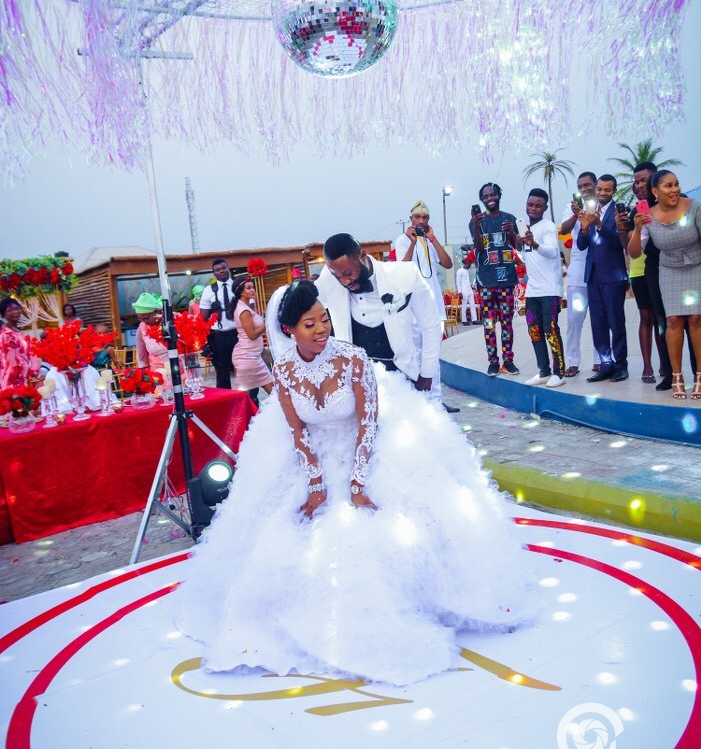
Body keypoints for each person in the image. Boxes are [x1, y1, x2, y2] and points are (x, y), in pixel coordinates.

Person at [175, 280, 535, 687]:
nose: (321, 328)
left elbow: (369, 424)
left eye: (324, 319)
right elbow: (297, 431)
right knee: (285, 529)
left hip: (364, 448)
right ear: (290, 330)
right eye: (309, 323)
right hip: (314, 454)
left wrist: (358, 482)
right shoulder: (284, 369)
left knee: (383, 526)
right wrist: (315, 484)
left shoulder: (353, 359)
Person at [314, 233, 442, 398]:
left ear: (362, 256)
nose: (344, 281)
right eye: (338, 277)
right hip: (355, 382)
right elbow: (304, 302)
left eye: (348, 273)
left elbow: (431, 325)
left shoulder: (405, 275)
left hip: (402, 376)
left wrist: (427, 373)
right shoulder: (328, 277)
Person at [627, 170, 701, 400]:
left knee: (696, 319)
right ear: (655, 191)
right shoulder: (648, 216)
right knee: (672, 321)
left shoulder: (694, 207)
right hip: (669, 270)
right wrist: (637, 229)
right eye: (668, 186)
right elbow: (634, 253)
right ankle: (676, 376)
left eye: (676, 184)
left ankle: (700, 376)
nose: (675, 189)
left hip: (697, 266)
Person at [577, 175, 629, 383]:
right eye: (599, 189)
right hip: (593, 275)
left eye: (607, 190)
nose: (602, 193)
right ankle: (605, 365)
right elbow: (581, 245)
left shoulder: (620, 212)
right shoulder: (590, 210)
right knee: (598, 323)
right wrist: (584, 227)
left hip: (613, 275)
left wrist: (599, 224)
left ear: (614, 191)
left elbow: (620, 243)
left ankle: (621, 366)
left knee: (616, 322)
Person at [623, 162, 669, 384]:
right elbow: (630, 247)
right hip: (641, 269)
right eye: (636, 181)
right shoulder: (636, 211)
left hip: (667, 268)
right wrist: (624, 227)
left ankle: (666, 364)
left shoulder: (669, 204)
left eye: (644, 180)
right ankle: (648, 366)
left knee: (663, 318)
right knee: (646, 317)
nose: (639, 184)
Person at [468, 182, 520, 376]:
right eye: (486, 196)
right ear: (482, 200)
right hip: (486, 282)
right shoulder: (477, 221)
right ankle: (493, 361)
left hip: (507, 280)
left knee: (507, 323)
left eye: (493, 195)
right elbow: (479, 248)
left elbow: (517, 246)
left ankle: (508, 360)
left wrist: (511, 232)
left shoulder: (510, 218)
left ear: (499, 195)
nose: (490, 198)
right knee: (489, 324)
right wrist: (475, 226)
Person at [516, 189, 566, 387]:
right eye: (530, 204)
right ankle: (543, 371)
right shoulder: (525, 228)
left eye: (538, 205)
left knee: (550, 330)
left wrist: (534, 243)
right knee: (534, 330)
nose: (533, 208)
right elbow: (524, 255)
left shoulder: (548, 227)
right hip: (533, 290)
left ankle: (559, 373)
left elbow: (552, 252)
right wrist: (519, 241)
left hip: (550, 289)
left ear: (545, 207)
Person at [560, 171, 601, 377]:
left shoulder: (602, 204)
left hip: (599, 265)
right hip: (578, 268)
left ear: (595, 184)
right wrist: (576, 213)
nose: (584, 189)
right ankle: (573, 362)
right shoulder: (571, 207)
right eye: (580, 186)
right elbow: (565, 230)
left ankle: (600, 360)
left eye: (587, 185)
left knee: (599, 317)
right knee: (575, 318)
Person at [393, 199, 453, 322]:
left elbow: (448, 264)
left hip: (433, 299)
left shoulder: (429, 241)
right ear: (411, 219)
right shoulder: (402, 240)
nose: (421, 221)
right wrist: (412, 243)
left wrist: (432, 238)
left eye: (424, 217)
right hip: (415, 300)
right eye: (417, 217)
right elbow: (402, 268)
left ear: (428, 220)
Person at [230, 274, 273, 408]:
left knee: (272, 392)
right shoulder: (243, 310)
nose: (252, 290)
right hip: (247, 357)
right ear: (241, 291)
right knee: (244, 398)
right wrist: (267, 323)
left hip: (252, 356)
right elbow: (252, 334)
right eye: (248, 288)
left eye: (253, 287)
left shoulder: (245, 307)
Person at [198, 259, 238, 388]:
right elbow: (203, 318)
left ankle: (249, 397)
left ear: (228, 268)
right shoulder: (208, 290)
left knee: (244, 368)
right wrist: (204, 340)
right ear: (214, 273)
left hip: (238, 333)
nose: (222, 271)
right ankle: (225, 397)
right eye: (218, 270)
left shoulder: (238, 286)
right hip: (218, 335)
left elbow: (250, 309)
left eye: (224, 268)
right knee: (221, 371)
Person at [0, 297, 40, 387]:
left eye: (17, 308)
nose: (15, 312)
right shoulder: (6, 334)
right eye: (10, 310)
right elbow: (14, 362)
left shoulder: (16, 331)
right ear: (3, 315)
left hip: (25, 378)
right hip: (14, 381)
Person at [132, 292, 168, 374]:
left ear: (157, 312)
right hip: (158, 374)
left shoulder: (174, 320)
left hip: (181, 370)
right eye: (140, 319)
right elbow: (142, 357)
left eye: (146, 318)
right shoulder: (142, 328)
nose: (144, 321)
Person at [455, 255, 478, 325]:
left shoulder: (467, 271)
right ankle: (464, 321)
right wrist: (459, 292)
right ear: (466, 263)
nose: (470, 265)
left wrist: (472, 287)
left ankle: (474, 320)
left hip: (469, 290)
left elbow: (467, 281)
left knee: (472, 305)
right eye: (469, 264)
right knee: (464, 306)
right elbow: (458, 282)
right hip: (463, 290)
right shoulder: (459, 271)